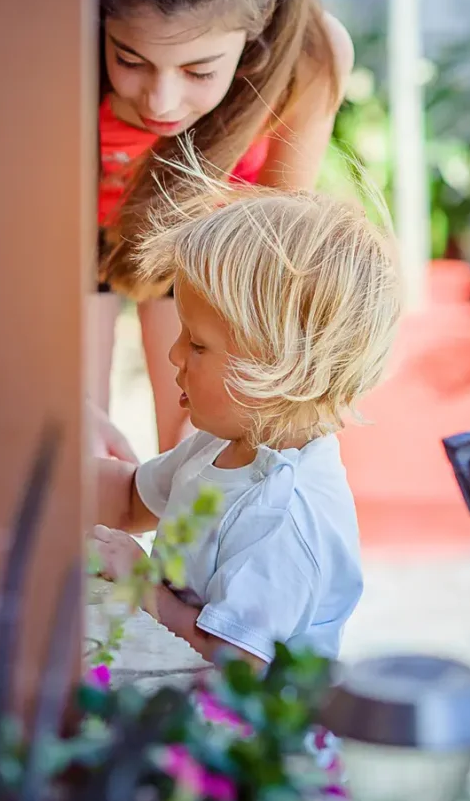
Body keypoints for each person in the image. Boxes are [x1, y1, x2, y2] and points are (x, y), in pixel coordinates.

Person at [87, 0, 355, 454]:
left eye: (198, 70)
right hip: (71, 232)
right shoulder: (55, 43)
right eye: (130, 59)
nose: (161, 98)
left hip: (204, 241)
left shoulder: (310, 60)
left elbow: (273, 247)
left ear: (261, 20)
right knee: (72, 430)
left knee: (206, 435)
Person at [90, 188, 402, 666]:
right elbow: (132, 497)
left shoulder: (286, 515)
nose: (174, 355)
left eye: (196, 344)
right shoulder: (223, 443)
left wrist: (140, 583)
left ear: (278, 368)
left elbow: (235, 662)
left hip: (240, 726)